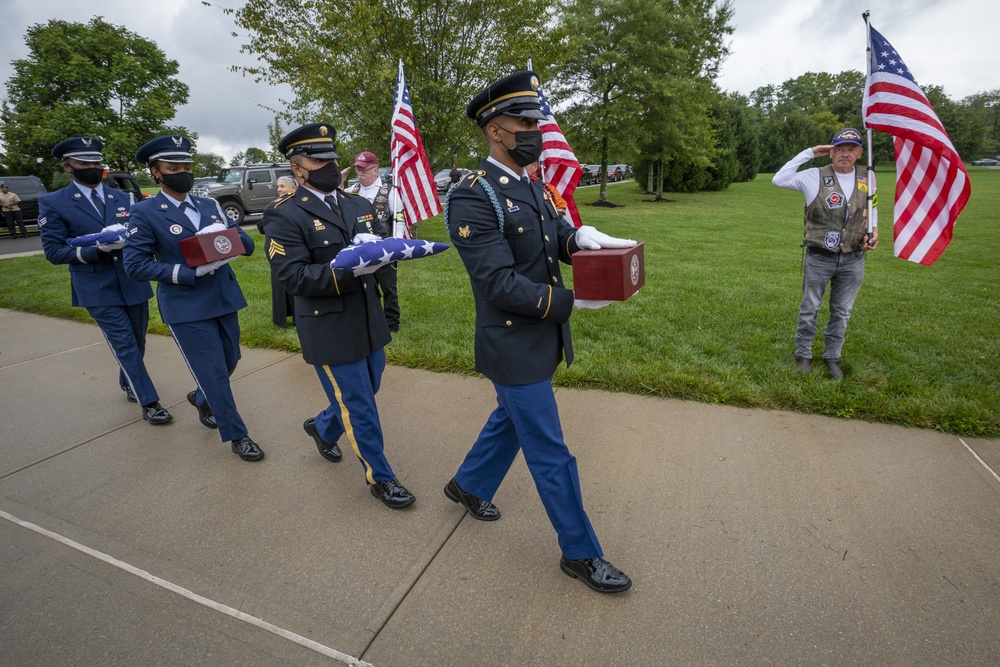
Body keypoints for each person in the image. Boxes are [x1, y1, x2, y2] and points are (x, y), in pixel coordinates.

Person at [444, 70, 635, 593]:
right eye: (523, 122)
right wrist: (577, 301)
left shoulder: (533, 186)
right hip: (511, 341)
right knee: (551, 452)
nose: (536, 130)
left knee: (509, 419)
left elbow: (549, 241)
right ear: (494, 131)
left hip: (539, 337)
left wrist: (580, 240)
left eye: (537, 121)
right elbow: (498, 284)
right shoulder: (473, 196)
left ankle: (467, 484)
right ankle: (580, 553)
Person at [261, 122, 414, 509]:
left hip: (366, 316)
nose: (330, 164)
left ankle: (323, 426)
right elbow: (291, 276)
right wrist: (347, 269)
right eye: (318, 159)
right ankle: (381, 477)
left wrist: (388, 251)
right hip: (328, 323)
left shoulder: (356, 204)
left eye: (331, 156)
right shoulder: (284, 214)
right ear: (297, 168)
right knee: (360, 403)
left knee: (370, 385)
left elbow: (379, 245)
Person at [123, 135, 263, 462]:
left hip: (224, 296)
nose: (182, 172)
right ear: (156, 172)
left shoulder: (208, 204)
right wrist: (187, 273)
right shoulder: (145, 212)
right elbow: (135, 264)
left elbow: (244, 241)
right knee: (213, 371)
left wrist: (227, 240)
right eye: (173, 167)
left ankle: (202, 397)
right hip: (186, 304)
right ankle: (238, 435)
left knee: (230, 360)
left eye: (186, 166)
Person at [38, 136, 172, 426]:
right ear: (68, 167)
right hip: (95, 285)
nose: (93, 167)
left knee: (137, 340)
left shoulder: (123, 198)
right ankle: (149, 401)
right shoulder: (53, 202)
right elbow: (54, 251)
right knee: (123, 343)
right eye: (84, 163)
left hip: (132, 279)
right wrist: (96, 250)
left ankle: (128, 381)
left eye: (96, 162)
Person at [772, 127, 879, 380]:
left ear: (860, 153)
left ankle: (832, 357)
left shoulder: (868, 177)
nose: (845, 154)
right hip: (819, 256)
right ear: (830, 152)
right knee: (810, 307)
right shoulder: (813, 176)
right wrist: (809, 153)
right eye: (839, 149)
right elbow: (779, 179)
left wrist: (874, 230)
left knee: (842, 311)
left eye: (851, 149)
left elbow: (871, 208)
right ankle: (804, 355)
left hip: (853, 257)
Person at [342, 151, 399, 332]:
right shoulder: (352, 191)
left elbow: (399, 219)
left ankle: (391, 323)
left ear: (375, 170)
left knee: (388, 287)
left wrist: (396, 245)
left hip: (384, 248)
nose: (360, 174)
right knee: (365, 285)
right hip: (360, 248)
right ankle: (369, 318)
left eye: (364, 170)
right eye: (358, 170)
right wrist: (340, 183)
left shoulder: (389, 191)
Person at [258, 175, 298, 327]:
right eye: (278, 187)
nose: (280, 189)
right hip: (278, 249)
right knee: (279, 283)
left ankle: (297, 315)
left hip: (295, 248)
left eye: (283, 186)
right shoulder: (273, 205)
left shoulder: (300, 203)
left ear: (293, 188)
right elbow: (261, 227)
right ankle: (281, 318)